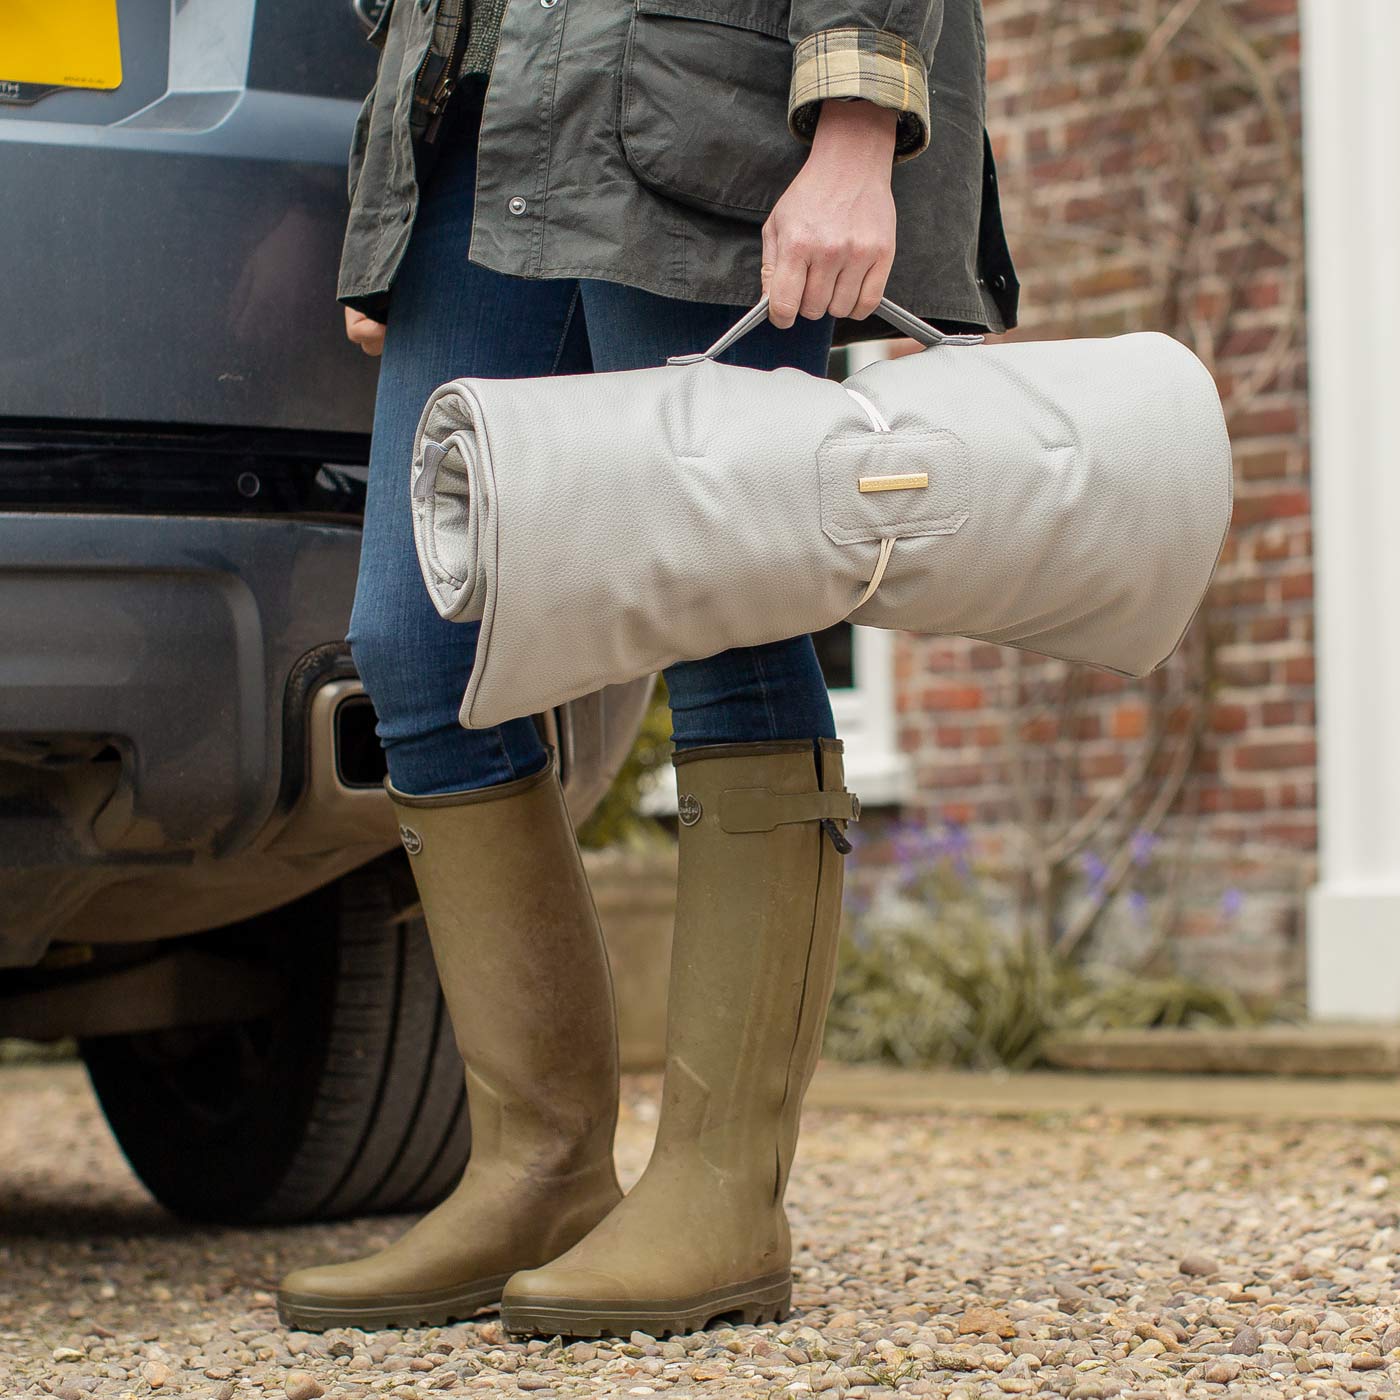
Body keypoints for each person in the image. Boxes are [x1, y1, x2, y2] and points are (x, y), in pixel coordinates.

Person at [278, 0, 1017, 1339]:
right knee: (416, 637)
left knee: (725, 602)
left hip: (699, 88)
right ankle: (538, 1171)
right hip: (481, 117)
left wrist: (856, 124)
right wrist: (388, 182)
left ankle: (725, 1192)